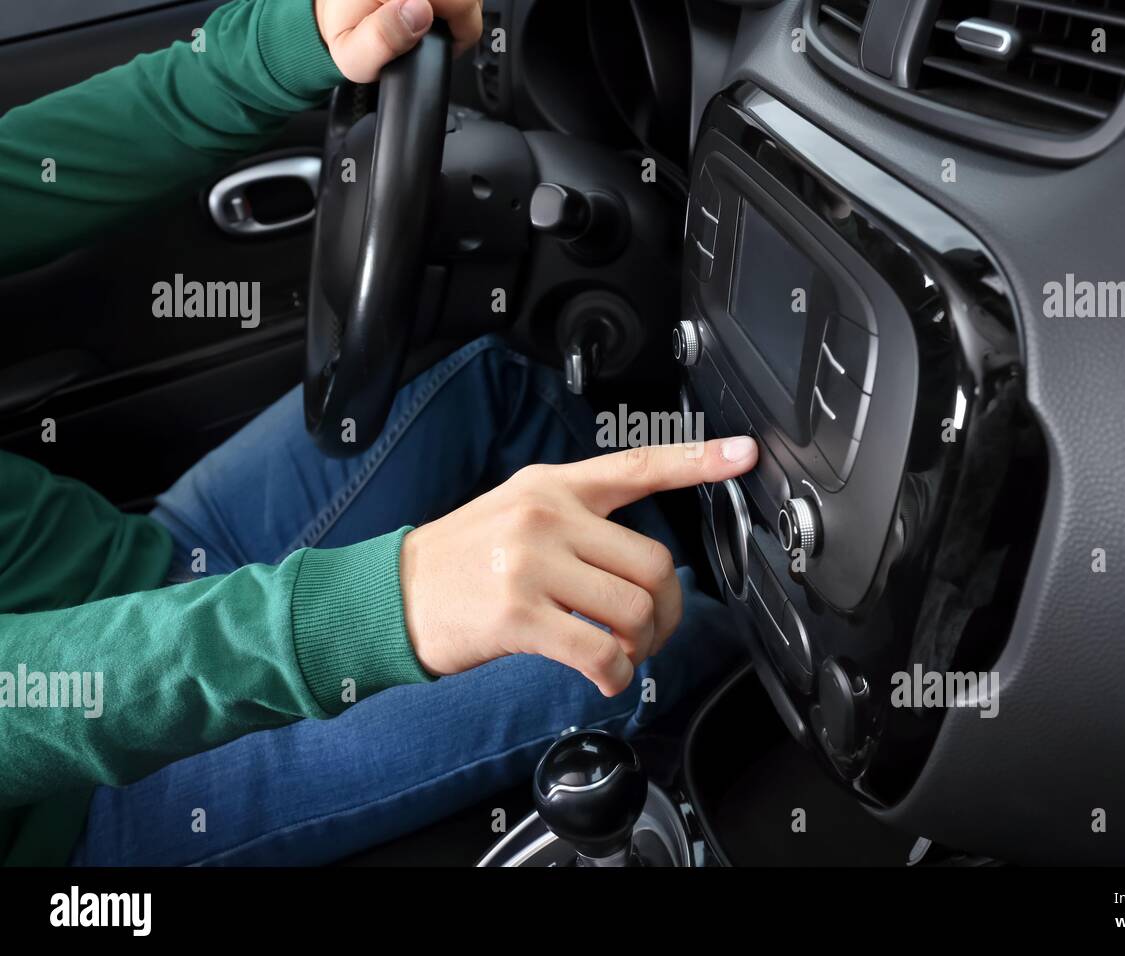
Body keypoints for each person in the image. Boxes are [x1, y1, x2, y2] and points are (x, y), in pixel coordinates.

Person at [0, 0, 755, 865]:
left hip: (141, 563)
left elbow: (57, 156)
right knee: (648, 645)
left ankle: (655, 565)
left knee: (495, 371)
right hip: (78, 802)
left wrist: (310, 32)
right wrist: (379, 609)